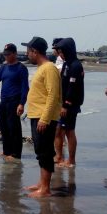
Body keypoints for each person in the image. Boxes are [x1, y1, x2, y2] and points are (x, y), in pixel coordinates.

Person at [22, 37, 62, 198]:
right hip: (36, 115)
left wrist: (45, 119)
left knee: (45, 151)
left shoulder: (49, 68)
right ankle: (41, 183)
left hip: (43, 117)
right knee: (40, 150)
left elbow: (53, 95)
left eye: (28, 52)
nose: (27, 55)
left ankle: (45, 189)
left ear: (35, 51)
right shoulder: (41, 68)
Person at [53, 38, 84, 168]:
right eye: (59, 52)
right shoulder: (66, 64)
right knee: (58, 130)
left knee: (69, 131)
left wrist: (66, 105)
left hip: (70, 105)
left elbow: (72, 87)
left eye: (62, 51)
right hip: (62, 103)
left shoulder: (75, 65)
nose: (60, 54)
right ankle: (59, 156)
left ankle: (71, 160)